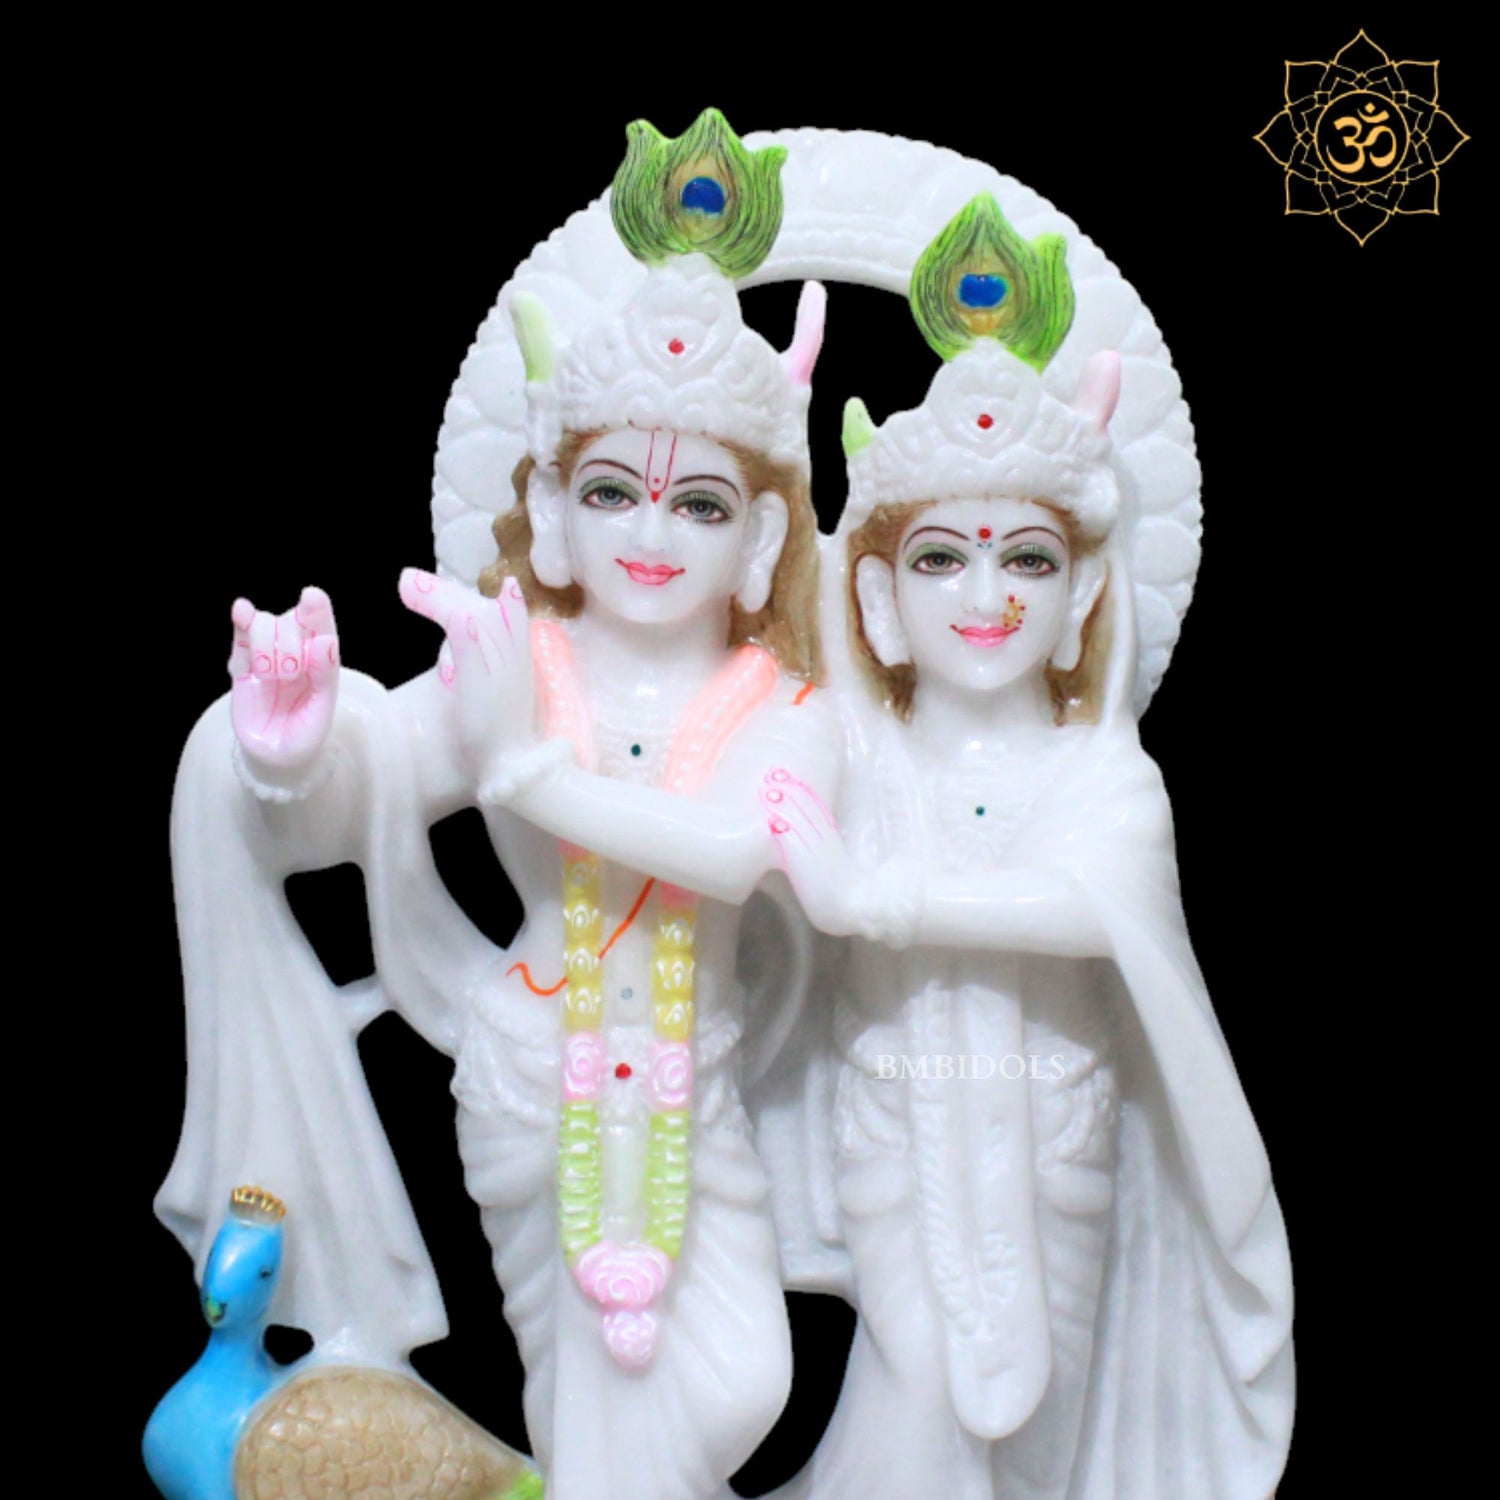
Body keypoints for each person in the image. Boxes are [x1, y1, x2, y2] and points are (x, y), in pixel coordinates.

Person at [155, 110, 838, 1500]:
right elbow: (373, 785)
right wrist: (294, 745)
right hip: (541, 1081)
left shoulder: (784, 703)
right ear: (555, 508)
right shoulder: (522, 661)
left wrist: (531, 774)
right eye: (613, 492)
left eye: (701, 506)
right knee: (598, 1415)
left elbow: (738, 854)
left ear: (762, 535)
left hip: (699, 1087)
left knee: (743, 1384)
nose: (652, 535)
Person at [762, 197, 1294, 1500]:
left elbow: (1082, 911)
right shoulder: (857, 753)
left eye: (1030, 562)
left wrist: (874, 901)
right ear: (880, 598)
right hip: (896, 1142)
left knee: (1031, 1446)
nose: (988, 597)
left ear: (1083, 597)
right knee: (915, 1422)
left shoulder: (1103, 776)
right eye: (941, 560)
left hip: (1059, 1151)